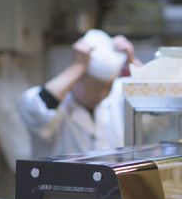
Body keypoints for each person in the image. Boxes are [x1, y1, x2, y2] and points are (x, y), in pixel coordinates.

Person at [17, 29, 139, 158]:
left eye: (108, 87)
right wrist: (78, 66)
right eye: (95, 87)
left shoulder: (117, 95)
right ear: (78, 77)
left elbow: (159, 99)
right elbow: (36, 110)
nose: (101, 94)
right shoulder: (60, 103)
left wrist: (133, 62)